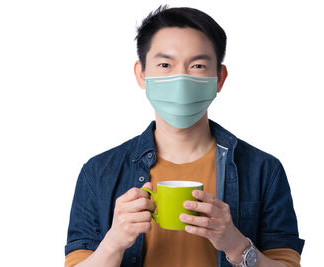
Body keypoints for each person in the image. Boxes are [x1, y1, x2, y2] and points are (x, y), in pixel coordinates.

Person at [64, 5, 304, 267]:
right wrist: (114, 242)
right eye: (165, 64)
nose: (180, 79)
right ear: (141, 74)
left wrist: (236, 244)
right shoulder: (98, 172)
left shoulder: (263, 170)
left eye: (198, 65)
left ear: (219, 78)